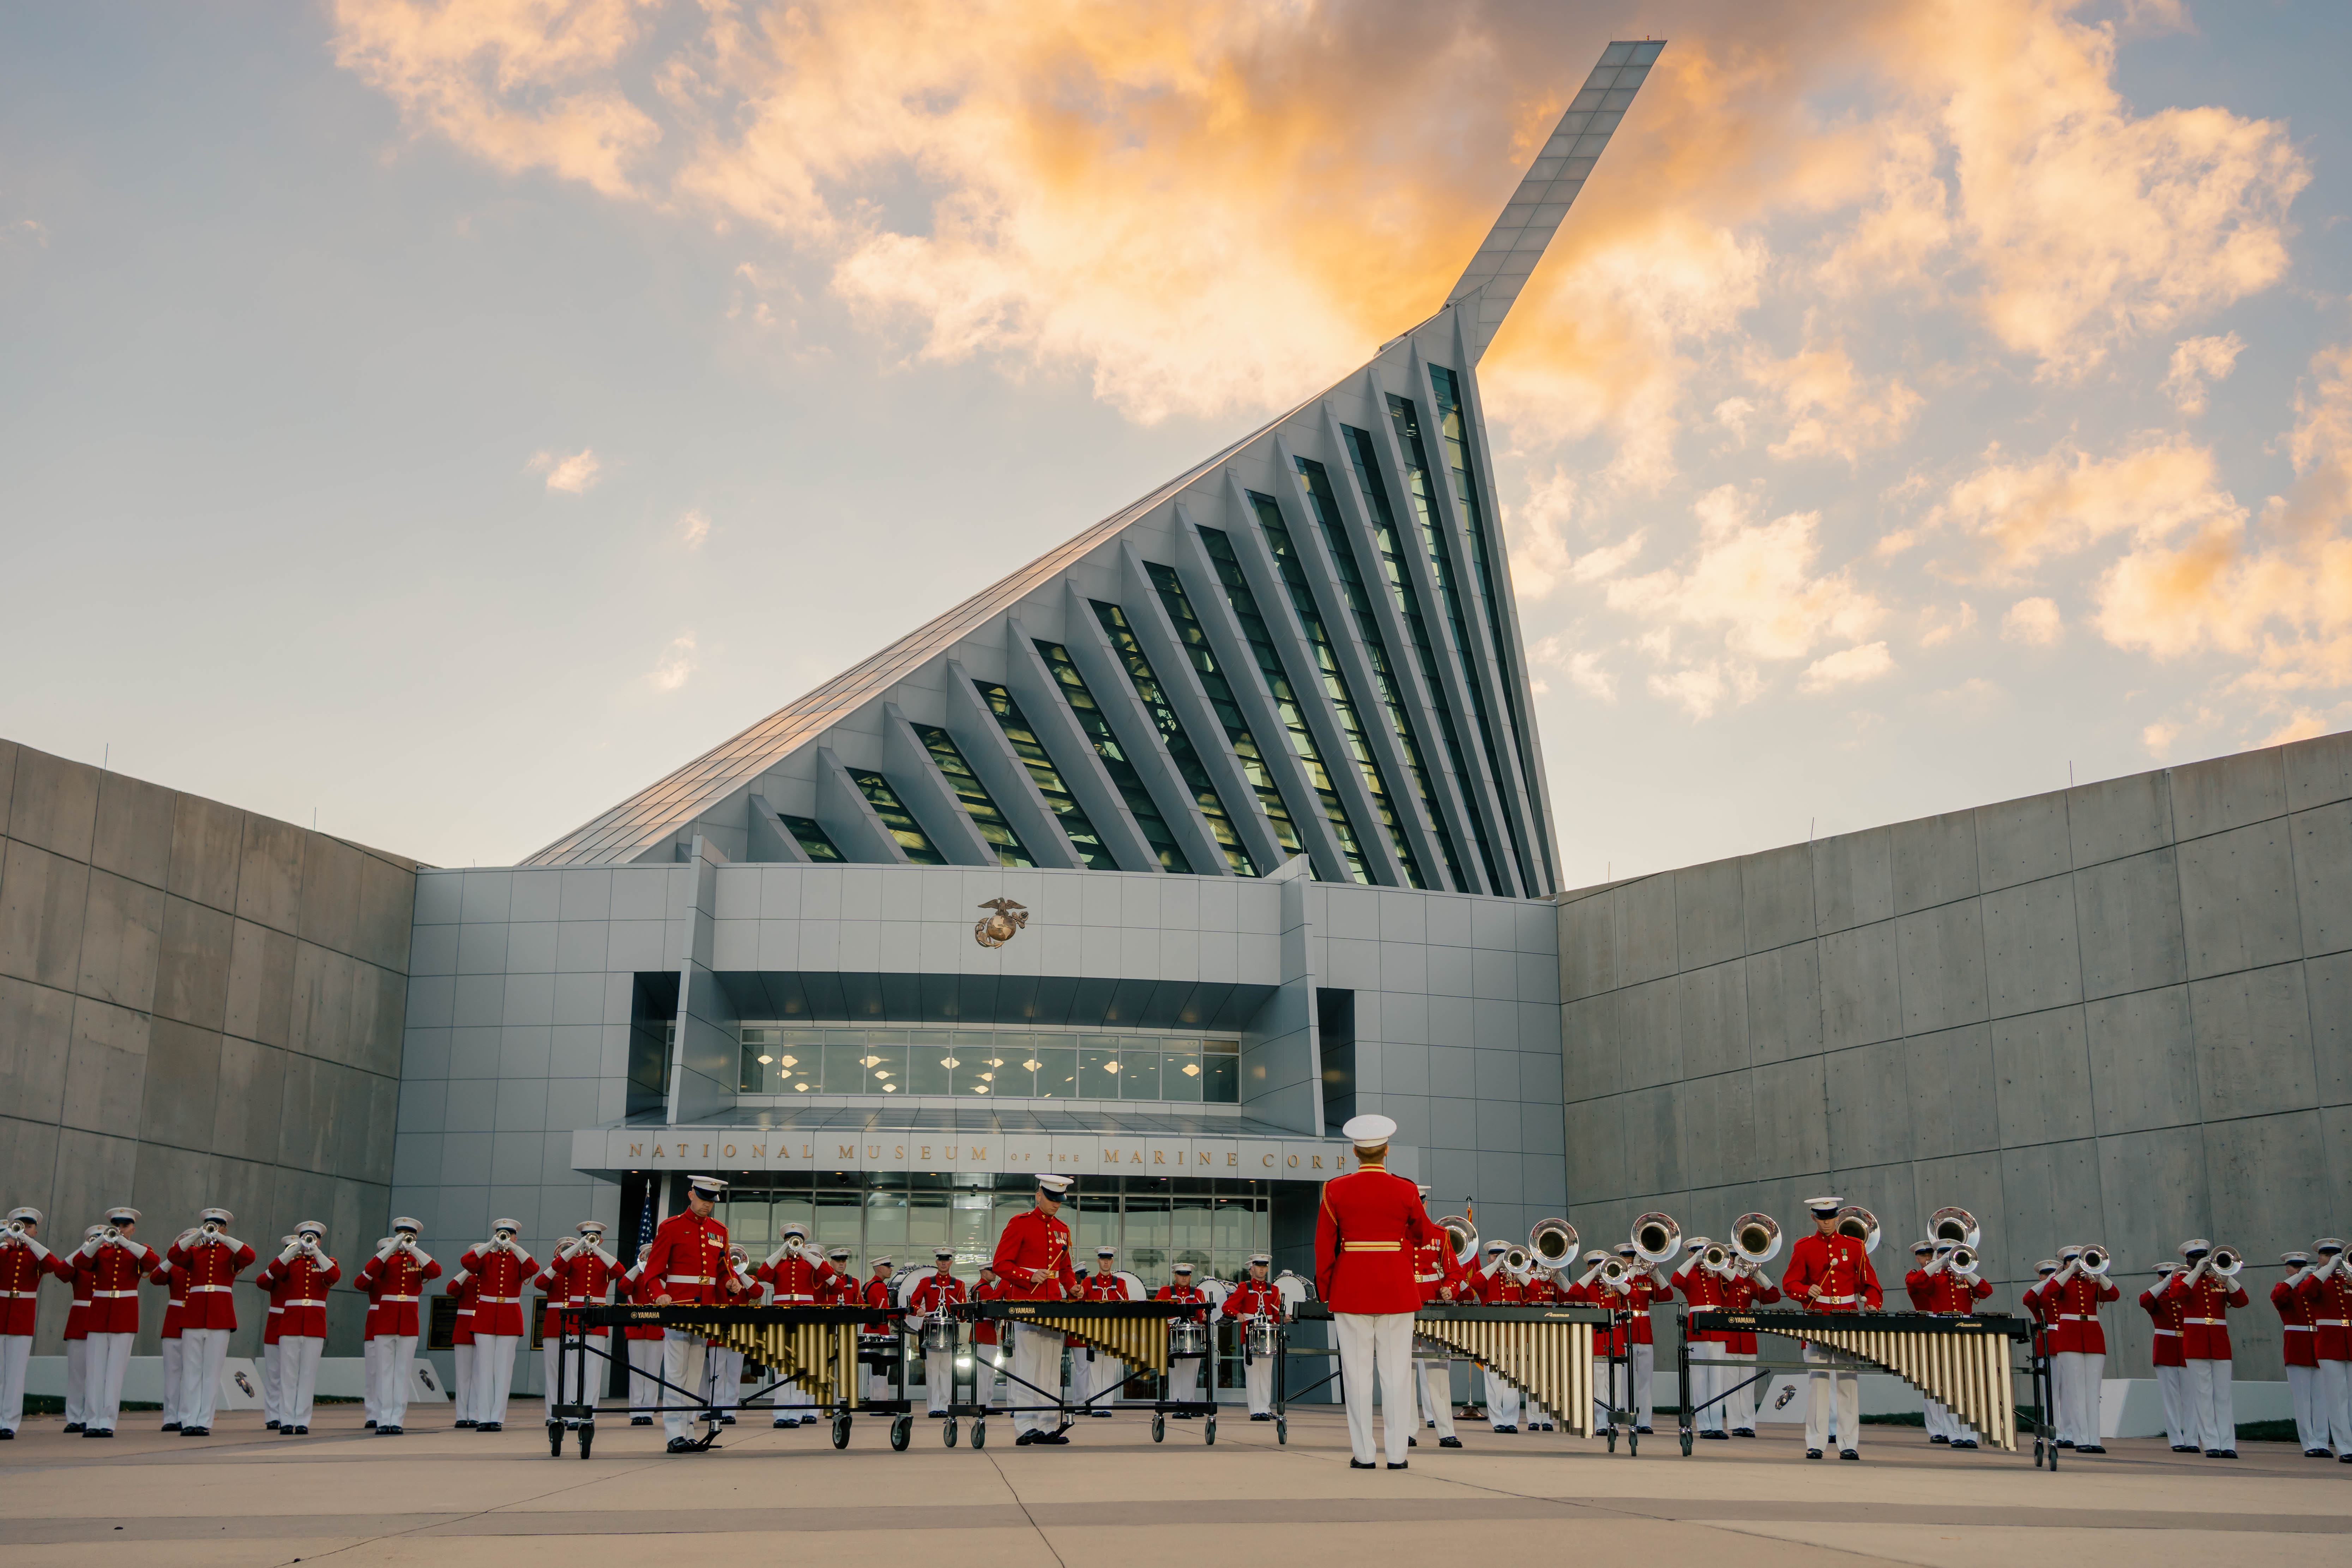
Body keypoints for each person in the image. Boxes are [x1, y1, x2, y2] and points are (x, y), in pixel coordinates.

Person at [1313, 1113, 1440, 1471]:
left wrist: (1326, 1289)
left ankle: (1365, 1455)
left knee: (1356, 1376)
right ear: (1386, 1151)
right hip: (1397, 1291)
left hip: (1352, 1290)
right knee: (1397, 1375)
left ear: (1355, 1152)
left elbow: (1324, 1247)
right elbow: (1424, 1234)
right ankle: (1398, 1455)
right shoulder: (1406, 1189)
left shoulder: (1334, 1189)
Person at [1781, 1195, 1880, 1461]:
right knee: (1819, 1383)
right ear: (1814, 1218)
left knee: (1848, 1383)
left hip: (1848, 1318)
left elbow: (1870, 1283)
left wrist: (1871, 1302)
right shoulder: (1803, 1248)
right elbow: (1789, 1283)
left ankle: (1849, 1444)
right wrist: (1805, 1290)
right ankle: (1816, 1443)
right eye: (1821, 1219)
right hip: (1817, 1319)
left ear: (1838, 1218)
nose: (1827, 1223)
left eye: (1831, 1218)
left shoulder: (1855, 1246)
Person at [643, 1175, 732, 1452]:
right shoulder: (670, 1227)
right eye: (704, 1199)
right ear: (691, 1194)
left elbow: (722, 1269)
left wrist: (729, 1282)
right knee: (676, 1373)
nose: (708, 1206)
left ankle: (689, 1429)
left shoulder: (720, 1231)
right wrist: (660, 1295)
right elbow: (652, 1273)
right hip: (679, 1307)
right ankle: (673, 1434)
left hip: (705, 1310)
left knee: (695, 1374)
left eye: (712, 1201)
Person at [988, 1172, 1078, 1445]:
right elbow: (1001, 1265)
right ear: (1039, 1195)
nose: (1055, 1204)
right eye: (1051, 1198)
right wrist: (1029, 1276)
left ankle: (1049, 1424)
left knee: (1051, 1369)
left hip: (1054, 1307)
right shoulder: (1020, 1224)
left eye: (1059, 1200)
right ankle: (1025, 1425)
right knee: (1029, 1367)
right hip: (1026, 1305)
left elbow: (1065, 1269)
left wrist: (1073, 1287)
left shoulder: (1063, 1229)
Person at [167, 1208, 254, 1437]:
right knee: (192, 1373)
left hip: (220, 1317)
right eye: (209, 1224)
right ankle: (188, 1421)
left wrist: (224, 1239)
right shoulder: (195, 1253)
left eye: (217, 1225)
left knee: (211, 1373)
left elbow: (249, 1256)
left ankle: (203, 1421)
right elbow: (174, 1256)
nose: (212, 1228)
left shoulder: (230, 1254)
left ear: (225, 1228)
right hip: (194, 1316)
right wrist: (196, 1236)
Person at [73, 1206, 160, 1437]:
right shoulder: (100, 1251)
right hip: (99, 1314)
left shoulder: (139, 1250)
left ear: (133, 1228)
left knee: (114, 1373)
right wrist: (101, 1240)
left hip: (124, 1315)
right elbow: (80, 1263)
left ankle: (108, 1422)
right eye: (117, 1226)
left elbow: (153, 1262)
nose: (120, 1230)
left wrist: (126, 1243)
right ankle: (92, 1421)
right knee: (95, 1371)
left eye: (125, 1226)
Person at [2165, 1238, 2249, 1458]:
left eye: (2204, 1256)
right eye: (2196, 1257)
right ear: (2188, 1260)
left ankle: (2228, 1444)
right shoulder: (2184, 1278)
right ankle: (2211, 1443)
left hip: (2220, 1342)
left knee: (2223, 1396)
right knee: (2203, 1395)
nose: (2201, 1260)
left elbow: (2242, 1300)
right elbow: (2176, 1294)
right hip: (2197, 1342)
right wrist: (2198, 1271)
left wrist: (2226, 1277)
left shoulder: (2219, 1279)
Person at [358, 1218, 437, 1436]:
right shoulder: (386, 1259)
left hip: (409, 1324)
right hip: (385, 1322)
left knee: (402, 1374)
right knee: (384, 1374)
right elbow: (370, 1269)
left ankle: (397, 1420)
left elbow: (435, 1271)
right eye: (401, 1234)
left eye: (409, 1234)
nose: (405, 1238)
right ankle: (383, 1420)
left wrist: (415, 1249)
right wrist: (392, 1247)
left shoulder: (419, 1258)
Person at [259, 1221, 338, 1436]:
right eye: (306, 1237)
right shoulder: (290, 1264)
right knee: (288, 1375)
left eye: (314, 1237)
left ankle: (302, 1421)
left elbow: (334, 1276)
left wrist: (316, 1253)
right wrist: (294, 1250)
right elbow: (272, 1272)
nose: (309, 1240)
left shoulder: (327, 1262)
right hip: (291, 1324)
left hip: (314, 1325)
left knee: (307, 1376)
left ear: (320, 1240)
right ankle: (286, 1420)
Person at [754, 1223, 837, 1427]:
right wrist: (783, 1250)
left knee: (801, 1365)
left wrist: (806, 1253)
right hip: (781, 1315)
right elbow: (763, 1274)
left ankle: (796, 1414)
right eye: (789, 1240)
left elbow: (827, 1274)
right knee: (782, 1367)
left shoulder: (810, 1264)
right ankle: (781, 1413)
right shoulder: (779, 1264)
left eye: (797, 1240)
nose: (793, 1244)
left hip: (804, 1315)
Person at [536, 1221, 617, 1426]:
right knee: (572, 1371)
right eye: (587, 1236)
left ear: (601, 1239)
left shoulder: (602, 1262)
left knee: (593, 1371)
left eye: (594, 1236)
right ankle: (572, 1414)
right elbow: (555, 1267)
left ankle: (588, 1416)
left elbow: (619, 1270)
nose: (590, 1240)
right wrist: (577, 1247)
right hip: (574, 1319)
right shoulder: (573, 1261)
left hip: (598, 1320)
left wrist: (596, 1248)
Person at [457, 1219, 534, 1433]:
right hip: (485, 1317)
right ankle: (483, 1418)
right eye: (502, 1234)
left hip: (509, 1319)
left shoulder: (517, 1258)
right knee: (484, 1371)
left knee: (503, 1372)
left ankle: (497, 1418)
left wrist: (514, 1247)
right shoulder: (486, 1257)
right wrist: (490, 1245)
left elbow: (533, 1268)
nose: (506, 1238)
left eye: (510, 1235)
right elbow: (467, 1262)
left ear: (516, 1237)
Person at [1, 1208, 70, 1438]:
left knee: (15, 1374)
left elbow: (55, 1266)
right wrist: (5, 1237)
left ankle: (8, 1424)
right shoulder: (4, 1253)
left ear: (35, 1231)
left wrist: (28, 1241)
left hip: (22, 1320)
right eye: (20, 1226)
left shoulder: (35, 1255)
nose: (24, 1230)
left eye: (29, 1227)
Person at [1409, 1187, 1465, 1448]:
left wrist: (1450, 1289)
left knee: (1438, 1372)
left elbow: (1456, 1272)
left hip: (1433, 1311)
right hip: (1405, 1307)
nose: (1417, 1208)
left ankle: (1446, 1431)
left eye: (1420, 1203)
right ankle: (1407, 1430)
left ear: (1426, 1203)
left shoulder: (1440, 1236)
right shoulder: (1396, 1236)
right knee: (1404, 1373)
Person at [1925, 1243, 1992, 1449]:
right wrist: (1938, 1264)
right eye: (1946, 1255)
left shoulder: (1966, 1275)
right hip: (1943, 1333)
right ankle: (1954, 1434)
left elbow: (1986, 1291)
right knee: (1948, 1385)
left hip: (1967, 1333)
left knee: (1969, 1385)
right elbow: (1916, 1285)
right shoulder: (1935, 1278)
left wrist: (1967, 1270)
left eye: (1952, 1255)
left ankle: (1971, 1434)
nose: (1950, 1259)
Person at [1677, 1238, 1736, 1441]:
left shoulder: (1718, 1272)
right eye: (1697, 1252)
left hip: (1717, 1328)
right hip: (1698, 1329)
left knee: (1717, 1380)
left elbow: (1738, 1282)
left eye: (1704, 1252)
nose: (1703, 1256)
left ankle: (1718, 1425)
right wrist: (1693, 1260)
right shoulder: (1690, 1273)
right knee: (1700, 1380)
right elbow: (1676, 1280)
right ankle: (1704, 1425)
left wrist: (1720, 1264)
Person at [2297, 1237, 2350, 1460]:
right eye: (2327, 1255)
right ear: (2320, 1258)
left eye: (2336, 1255)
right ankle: (2346, 1448)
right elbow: (2307, 1291)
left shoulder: (2348, 1279)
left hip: (2349, 1342)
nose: (2333, 1259)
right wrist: (2327, 1268)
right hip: (2330, 1344)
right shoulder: (2317, 1279)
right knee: (2337, 1398)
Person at [2275, 1250, 2327, 1456]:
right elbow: (2278, 1297)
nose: (2299, 1271)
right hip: (2298, 1348)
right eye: (2295, 1267)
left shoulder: (2313, 1290)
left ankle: (2322, 1442)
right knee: (2302, 1400)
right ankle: (2309, 1443)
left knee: (2322, 1399)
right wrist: (2299, 1277)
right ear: (2288, 1270)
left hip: (2318, 1346)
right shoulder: (2284, 1289)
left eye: (2302, 1267)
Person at [1222, 1253, 1284, 1421]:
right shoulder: (1244, 1287)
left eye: (1264, 1267)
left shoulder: (1274, 1289)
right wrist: (1238, 1314)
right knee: (1253, 1373)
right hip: (1250, 1334)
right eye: (1259, 1266)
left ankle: (1265, 1408)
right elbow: (1227, 1307)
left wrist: (1285, 1318)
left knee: (1266, 1374)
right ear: (1252, 1270)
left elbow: (1276, 1316)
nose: (1262, 1269)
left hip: (1269, 1335)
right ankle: (1255, 1410)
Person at [2139, 1264, 2194, 1451]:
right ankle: (2177, 1440)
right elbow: (2144, 1300)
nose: (2169, 1280)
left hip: (2187, 1349)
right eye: (2165, 1276)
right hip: (2166, 1350)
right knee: (2171, 1400)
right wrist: (2166, 1284)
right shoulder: (2158, 1296)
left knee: (2191, 1399)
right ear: (2159, 1278)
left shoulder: (2185, 1295)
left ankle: (2193, 1440)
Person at [908, 1247, 968, 1416]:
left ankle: (945, 1406)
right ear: (937, 1262)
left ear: (951, 1262)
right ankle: (934, 1407)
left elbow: (963, 1312)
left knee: (947, 1371)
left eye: (946, 1260)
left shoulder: (959, 1284)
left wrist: (962, 1315)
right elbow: (914, 1303)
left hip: (950, 1332)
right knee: (933, 1371)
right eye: (940, 1260)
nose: (943, 1263)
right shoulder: (926, 1282)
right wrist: (918, 1309)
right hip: (931, 1330)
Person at [1473, 1241, 1524, 1431]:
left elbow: (1534, 1290)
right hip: (1491, 1335)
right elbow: (1475, 1283)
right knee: (1494, 1380)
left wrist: (1516, 1269)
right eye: (1495, 1256)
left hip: (1513, 1335)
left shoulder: (1517, 1276)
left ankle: (1511, 1421)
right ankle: (1498, 1421)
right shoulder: (1487, 1276)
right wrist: (1495, 1266)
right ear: (1489, 1258)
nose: (1500, 1259)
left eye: (1503, 1256)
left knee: (1512, 1381)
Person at [1077, 1246, 1132, 1414]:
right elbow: (1081, 1308)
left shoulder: (1120, 1283)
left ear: (1112, 1261)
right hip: (1094, 1332)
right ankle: (1095, 1407)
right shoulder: (1088, 1282)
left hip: (1112, 1332)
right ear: (1098, 1261)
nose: (1106, 1262)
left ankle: (1106, 1407)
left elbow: (1126, 1308)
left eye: (1109, 1259)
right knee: (1094, 1371)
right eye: (1103, 1259)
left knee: (1109, 1370)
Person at [60, 1225, 100, 1433]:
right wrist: (82, 1249)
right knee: (77, 1374)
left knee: (96, 1374)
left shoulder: (110, 1261)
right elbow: (62, 1272)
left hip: (102, 1319)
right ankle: (74, 1417)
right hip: (79, 1321)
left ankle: (90, 1416)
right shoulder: (80, 1262)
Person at [1156, 1263, 1209, 1411]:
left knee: (1191, 1374)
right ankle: (1176, 1404)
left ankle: (1189, 1405)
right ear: (1175, 1276)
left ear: (1191, 1276)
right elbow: (1156, 1311)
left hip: (1193, 1338)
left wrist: (1204, 1318)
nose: (1184, 1278)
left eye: (1187, 1275)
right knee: (1176, 1374)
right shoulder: (1166, 1291)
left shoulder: (1198, 1293)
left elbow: (1201, 1317)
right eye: (1181, 1275)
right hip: (1172, 1337)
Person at [622, 1243, 661, 1426]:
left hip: (656, 1329)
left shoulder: (663, 1274)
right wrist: (639, 1265)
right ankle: (636, 1411)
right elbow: (623, 1287)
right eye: (646, 1255)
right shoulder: (636, 1275)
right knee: (636, 1372)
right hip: (637, 1329)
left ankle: (649, 1412)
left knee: (653, 1372)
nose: (649, 1257)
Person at [859, 1256, 899, 1405]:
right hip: (880, 1331)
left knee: (875, 1368)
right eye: (889, 1267)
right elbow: (884, 1311)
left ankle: (876, 1399)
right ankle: (880, 1402)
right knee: (882, 1368)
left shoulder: (868, 1285)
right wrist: (904, 1313)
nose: (891, 1270)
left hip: (871, 1330)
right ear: (881, 1268)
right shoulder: (879, 1286)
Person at [155, 1252, 186, 1431]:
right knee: (172, 1375)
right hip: (174, 1324)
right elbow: (156, 1278)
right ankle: (171, 1417)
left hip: (197, 1322)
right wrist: (174, 1256)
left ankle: (186, 1416)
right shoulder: (173, 1267)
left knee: (193, 1376)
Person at [443, 1268, 476, 1428]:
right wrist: (467, 1272)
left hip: (484, 1327)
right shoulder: (465, 1278)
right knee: (463, 1377)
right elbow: (451, 1289)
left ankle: (476, 1414)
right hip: (464, 1329)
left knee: (480, 1376)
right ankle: (462, 1416)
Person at [971, 1266, 1007, 1409]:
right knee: (986, 1373)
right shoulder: (985, 1289)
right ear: (984, 1272)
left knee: (986, 1373)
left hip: (984, 1333)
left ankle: (986, 1403)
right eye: (992, 1271)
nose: (995, 1274)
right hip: (985, 1333)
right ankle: (984, 1404)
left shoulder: (979, 1287)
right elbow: (991, 1311)